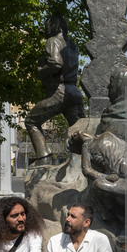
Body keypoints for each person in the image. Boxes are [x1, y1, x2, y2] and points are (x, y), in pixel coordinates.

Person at [25, 15, 85, 166]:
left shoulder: (53, 41)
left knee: (31, 121)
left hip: (59, 91)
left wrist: (41, 69)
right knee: (81, 131)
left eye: (47, 25)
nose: (45, 29)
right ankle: (88, 159)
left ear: (56, 27)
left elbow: (56, 64)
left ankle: (43, 158)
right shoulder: (72, 45)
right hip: (74, 92)